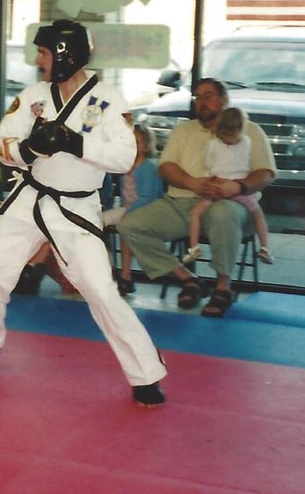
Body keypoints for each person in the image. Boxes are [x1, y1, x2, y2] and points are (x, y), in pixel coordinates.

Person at [0, 20, 169, 408]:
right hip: (28, 197)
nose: (38, 60)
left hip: (75, 205)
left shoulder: (108, 100)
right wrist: (31, 149)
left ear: (66, 56)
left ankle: (146, 373)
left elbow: (124, 157)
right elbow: (3, 145)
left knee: (100, 290)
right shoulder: (34, 95)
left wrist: (74, 141)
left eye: (44, 53)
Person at [119, 78, 276, 318]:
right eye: (198, 97)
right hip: (181, 201)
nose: (202, 102)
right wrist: (192, 183)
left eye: (208, 96)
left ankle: (223, 287)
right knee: (130, 225)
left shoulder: (250, 130)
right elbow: (166, 167)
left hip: (231, 203)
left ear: (224, 99)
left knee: (223, 214)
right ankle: (188, 279)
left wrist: (237, 186)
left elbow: (265, 173)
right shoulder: (184, 129)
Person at [181, 107, 274, 266]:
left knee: (196, 214)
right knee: (258, 214)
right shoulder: (247, 142)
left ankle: (193, 247)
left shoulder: (212, 144)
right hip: (238, 188)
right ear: (241, 128)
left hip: (217, 186)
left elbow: (207, 163)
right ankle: (265, 248)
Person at [102, 123, 165, 295]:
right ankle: (112, 270)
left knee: (117, 224)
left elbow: (149, 198)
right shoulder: (125, 167)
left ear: (146, 146)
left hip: (145, 210)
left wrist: (127, 213)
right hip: (128, 209)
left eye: (136, 143)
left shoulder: (149, 168)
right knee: (97, 222)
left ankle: (123, 274)